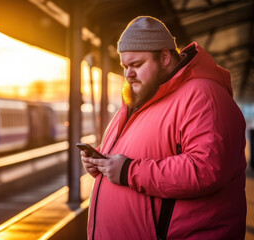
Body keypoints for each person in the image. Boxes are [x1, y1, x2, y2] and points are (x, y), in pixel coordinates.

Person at [81, 16, 247, 239]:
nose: (128, 74)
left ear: (165, 57)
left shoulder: (203, 96)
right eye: (125, 66)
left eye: (136, 65)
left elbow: (207, 169)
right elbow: (144, 150)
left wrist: (128, 171)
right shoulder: (144, 97)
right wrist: (102, 162)